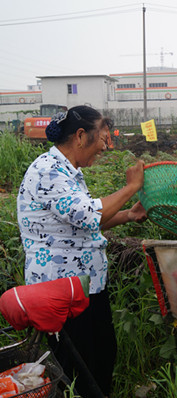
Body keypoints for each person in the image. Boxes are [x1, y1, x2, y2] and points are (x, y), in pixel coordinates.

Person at [17, 105, 147, 397]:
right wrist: (131, 188)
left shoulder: (70, 172)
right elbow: (90, 215)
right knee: (75, 369)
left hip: (87, 285)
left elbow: (83, 223)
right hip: (60, 290)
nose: (104, 147)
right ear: (79, 136)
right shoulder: (49, 171)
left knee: (101, 356)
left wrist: (128, 214)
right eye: (102, 139)